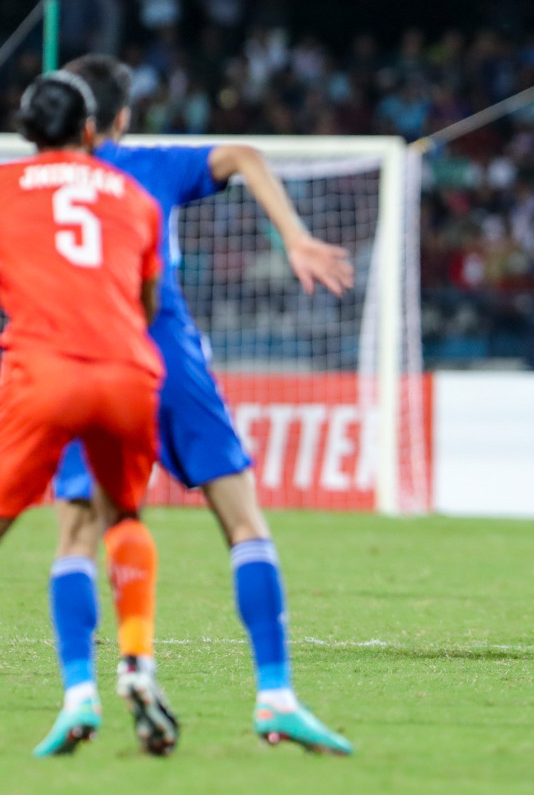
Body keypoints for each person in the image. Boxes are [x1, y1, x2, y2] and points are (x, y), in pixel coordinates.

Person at [47, 54, 355, 755]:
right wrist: (296, 237)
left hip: (85, 358)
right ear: (120, 117)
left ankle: (78, 697)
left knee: (80, 533)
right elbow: (244, 154)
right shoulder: (151, 165)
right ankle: (275, 697)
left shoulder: (36, 185)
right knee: (243, 520)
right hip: (166, 355)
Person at [0, 72, 164, 756]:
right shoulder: (133, 195)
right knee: (121, 519)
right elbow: (146, 300)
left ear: (25, 134)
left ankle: (79, 692)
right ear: (92, 131)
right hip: (128, 372)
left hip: (44, 374)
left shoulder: (5, 191)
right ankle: (135, 663)